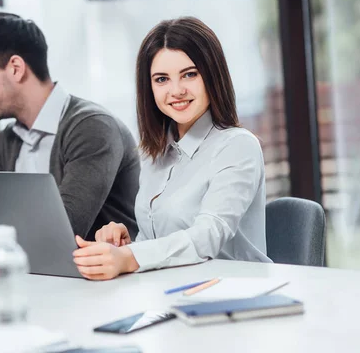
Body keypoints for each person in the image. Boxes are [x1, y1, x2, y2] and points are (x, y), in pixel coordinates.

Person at [73, 17, 272, 281]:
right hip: (170, 294)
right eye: (162, 79)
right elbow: (157, 245)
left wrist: (131, 258)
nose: (176, 90)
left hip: (234, 297)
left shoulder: (237, 146)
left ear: (212, 76)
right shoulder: (153, 154)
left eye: (189, 74)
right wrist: (125, 245)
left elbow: (207, 236)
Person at [0, 12, 140, 241]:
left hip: (101, 275)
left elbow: (61, 231)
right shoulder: (7, 141)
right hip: (36, 275)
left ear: (16, 68)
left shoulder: (92, 127)